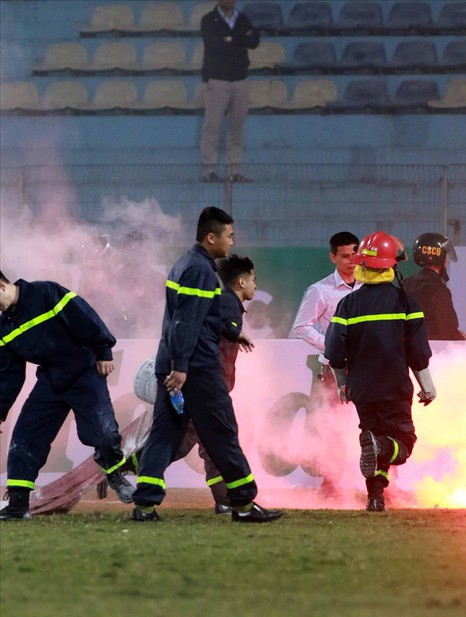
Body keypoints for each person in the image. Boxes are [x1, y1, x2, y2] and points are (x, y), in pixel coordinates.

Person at [130, 206, 282, 523]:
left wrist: (231, 332)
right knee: (223, 433)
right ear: (211, 237)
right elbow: (186, 321)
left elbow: (201, 315)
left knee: (164, 436)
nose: (231, 242)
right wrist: (182, 367)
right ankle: (242, 504)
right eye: (229, 236)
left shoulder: (185, 265)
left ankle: (144, 505)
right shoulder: (200, 270)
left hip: (174, 364)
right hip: (196, 369)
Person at [0, 270, 135, 521]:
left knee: (104, 432)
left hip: (85, 372)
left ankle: (114, 474)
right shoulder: (4, 327)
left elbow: (83, 316)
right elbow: (9, 375)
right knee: (25, 439)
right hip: (50, 381)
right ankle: (18, 505)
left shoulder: (45, 292)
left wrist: (103, 350)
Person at [324, 232, 436, 513]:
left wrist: (341, 384)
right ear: (391, 266)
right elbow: (418, 352)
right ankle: (382, 447)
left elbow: (335, 352)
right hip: (394, 388)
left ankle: (375, 499)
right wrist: (427, 384)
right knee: (402, 443)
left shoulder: (347, 304)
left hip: (362, 390)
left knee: (372, 444)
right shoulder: (406, 303)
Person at [172, 254, 257, 515]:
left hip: (207, 385)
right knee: (199, 441)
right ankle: (123, 466)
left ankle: (223, 500)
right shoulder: (228, 303)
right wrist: (235, 332)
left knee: (207, 444)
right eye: (254, 279)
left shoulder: (225, 302)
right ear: (242, 281)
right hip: (208, 387)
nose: (256, 285)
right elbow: (219, 326)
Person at [290, 231, 361, 497]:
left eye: (355, 253)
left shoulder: (369, 288)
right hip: (334, 369)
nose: (351, 260)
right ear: (333, 257)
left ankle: (378, 481)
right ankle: (331, 483)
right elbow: (301, 326)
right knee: (334, 426)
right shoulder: (320, 290)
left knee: (372, 422)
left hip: (365, 367)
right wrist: (331, 346)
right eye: (345, 256)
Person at [200, 0, 259, 184]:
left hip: (241, 79)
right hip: (217, 79)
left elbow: (254, 41)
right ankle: (208, 171)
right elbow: (214, 45)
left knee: (237, 127)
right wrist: (239, 38)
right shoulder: (209, 20)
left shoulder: (243, 18)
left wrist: (230, 39)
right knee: (212, 126)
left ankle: (234, 171)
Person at [401, 232, 465, 341]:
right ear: (440, 258)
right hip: (432, 353)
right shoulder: (439, 290)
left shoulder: (404, 284)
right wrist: (460, 339)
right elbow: (447, 330)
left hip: (405, 352)